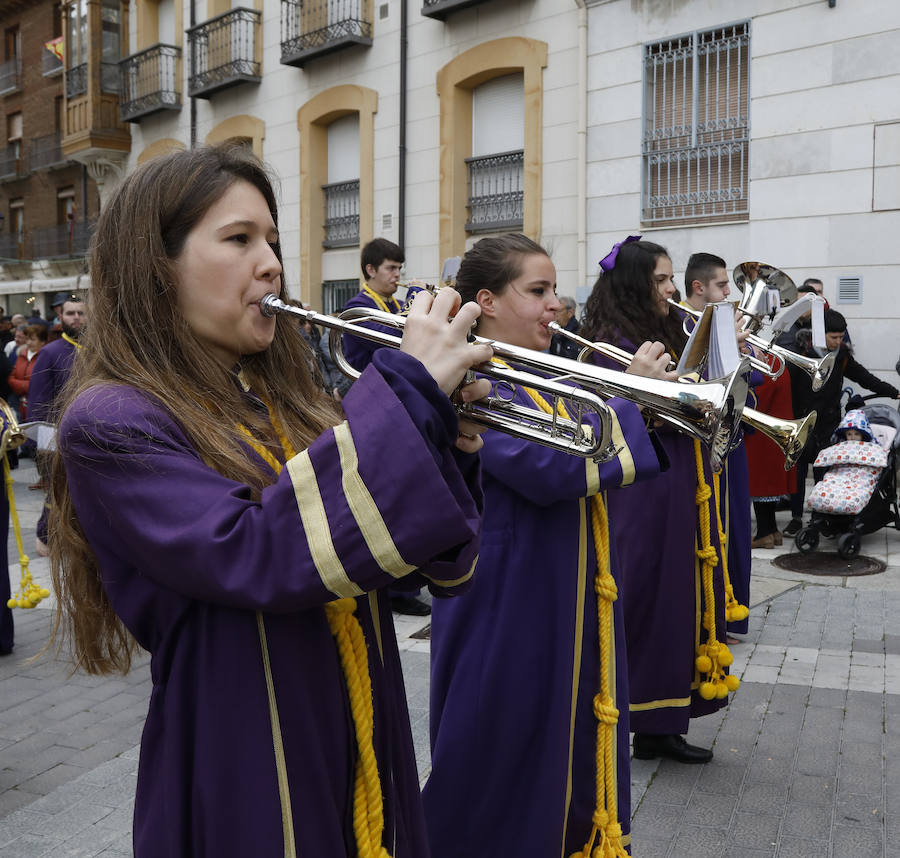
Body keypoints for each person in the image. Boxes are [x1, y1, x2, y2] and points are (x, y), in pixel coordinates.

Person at [48, 145, 493, 858]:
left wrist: (441, 441)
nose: (271, 264)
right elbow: (259, 551)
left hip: (362, 732)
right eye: (238, 239)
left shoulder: (283, 403)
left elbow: (418, 568)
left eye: (273, 241)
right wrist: (406, 398)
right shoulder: (110, 420)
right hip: (245, 752)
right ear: (154, 267)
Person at [423, 233, 669, 857]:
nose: (555, 305)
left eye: (555, 290)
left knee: (563, 748)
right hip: (503, 606)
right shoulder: (473, 380)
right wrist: (631, 399)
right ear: (488, 302)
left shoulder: (535, 373)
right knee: (500, 763)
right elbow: (553, 467)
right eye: (537, 291)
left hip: (556, 594)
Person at [580, 237, 738, 765]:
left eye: (672, 279)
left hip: (680, 478)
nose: (671, 290)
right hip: (643, 487)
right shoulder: (607, 341)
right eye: (661, 280)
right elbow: (603, 420)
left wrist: (723, 352)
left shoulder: (666, 327)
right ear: (634, 283)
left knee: (679, 598)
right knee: (650, 599)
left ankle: (663, 724)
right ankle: (641, 719)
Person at [343, 238, 431, 616]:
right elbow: (393, 349)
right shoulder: (359, 308)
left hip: (398, 403)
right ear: (370, 271)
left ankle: (406, 577)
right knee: (385, 496)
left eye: (399, 268)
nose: (397, 275)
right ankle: (393, 590)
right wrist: (416, 315)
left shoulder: (394, 305)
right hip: (373, 408)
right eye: (391, 269)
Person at [682, 251, 754, 640]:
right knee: (715, 531)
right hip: (706, 448)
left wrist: (742, 352)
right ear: (700, 287)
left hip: (732, 443)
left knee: (736, 528)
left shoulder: (723, 323)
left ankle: (730, 610)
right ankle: (711, 616)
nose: (732, 293)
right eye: (724, 286)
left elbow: (749, 387)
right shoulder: (683, 325)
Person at [784, 309, 899, 534]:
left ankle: (821, 519)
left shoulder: (842, 356)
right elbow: (788, 390)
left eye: (841, 337)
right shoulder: (800, 353)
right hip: (802, 422)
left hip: (829, 423)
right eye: (833, 337)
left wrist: (892, 391)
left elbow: (863, 377)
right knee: (797, 474)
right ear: (818, 333)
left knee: (825, 473)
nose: (838, 342)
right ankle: (796, 518)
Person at [25, 296, 86, 555]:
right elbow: (39, 403)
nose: (76, 318)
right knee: (59, 494)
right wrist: (43, 447)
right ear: (61, 318)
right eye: (70, 313)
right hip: (59, 440)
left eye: (81, 313)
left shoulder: (101, 350)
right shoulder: (50, 353)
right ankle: (46, 537)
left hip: (94, 438)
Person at [806, 409, 887, 517]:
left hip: (860, 478)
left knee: (853, 496)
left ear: (863, 434)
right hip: (839, 476)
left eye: (856, 434)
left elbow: (881, 458)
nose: (852, 437)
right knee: (822, 490)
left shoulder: (871, 448)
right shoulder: (841, 447)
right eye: (849, 434)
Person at [8, 324, 47, 421]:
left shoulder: (45, 357)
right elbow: (11, 378)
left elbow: (42, 384)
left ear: (42, 342)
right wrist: (26, 386)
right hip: (20, 404)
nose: (28, 343)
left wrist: (22, 385)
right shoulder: (22, 354)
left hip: (37, 406)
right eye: (27, 339)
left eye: (33, 340)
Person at [548, 294, 581, 359]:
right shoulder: (554, 334)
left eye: (558, 311)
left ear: (570, 313)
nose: (555, 315)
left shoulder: (581, 334)